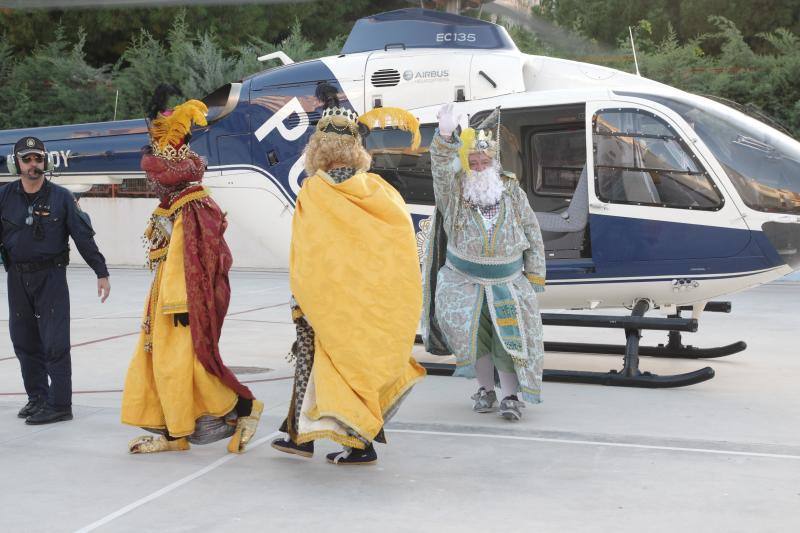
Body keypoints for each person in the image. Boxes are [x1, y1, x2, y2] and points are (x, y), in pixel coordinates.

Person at [271, 83, 425, 465]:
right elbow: (398, 245)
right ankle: (306, 436)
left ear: (318, 149)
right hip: (363, 304)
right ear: (356, 150)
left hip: (321, 300)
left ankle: (329, 440)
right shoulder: (379, 191)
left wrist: (302, 295)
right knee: (354, 366)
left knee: (314, 362)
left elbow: (306, 249)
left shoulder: (314, 191)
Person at [121, 89, 262, 454]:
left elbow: (197, 264)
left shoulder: (192, 207)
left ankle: (242, 409)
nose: (152, 183)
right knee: (163, 361)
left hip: (181, 306)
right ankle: (174, 432)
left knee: (184, 364)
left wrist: (179, 304)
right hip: (167, 301)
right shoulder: (182, 205)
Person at [422, 103, 546, 421]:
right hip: (464, 283)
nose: (478, 166)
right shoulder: (454, 193)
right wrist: (445, 136)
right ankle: (485, 390)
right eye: (473, 161)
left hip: (508, 283)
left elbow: (532, 230)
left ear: (494, 162)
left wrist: (535, 274)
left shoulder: (512, 192)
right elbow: (440, 169)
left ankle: (510, 396)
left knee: (509, 342)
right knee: (476, 339)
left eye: (484, 161)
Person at [1, 136, 110, 425]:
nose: (33, 164)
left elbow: (83, 236)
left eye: (38, 158)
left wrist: (101, 271)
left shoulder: (61, 198)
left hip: (50, 277)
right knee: (23, 340)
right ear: (17, 163)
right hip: (17, 277)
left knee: (54, 341)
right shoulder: (4, 196)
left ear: (45, 161)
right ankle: (37, 397)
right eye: (27, 159)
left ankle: (60, 404)